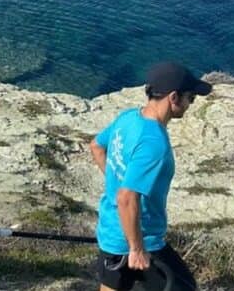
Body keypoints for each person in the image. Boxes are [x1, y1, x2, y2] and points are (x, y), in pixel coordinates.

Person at [89, 62, 212, 291]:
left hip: (110, 231)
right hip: (141, 239)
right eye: (191, 98)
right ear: (174, 97)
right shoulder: (154, 143)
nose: (190, 105)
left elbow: (96, 146)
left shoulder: (128, 118)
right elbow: (127, 197)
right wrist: (136, 248)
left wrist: (117, 181)